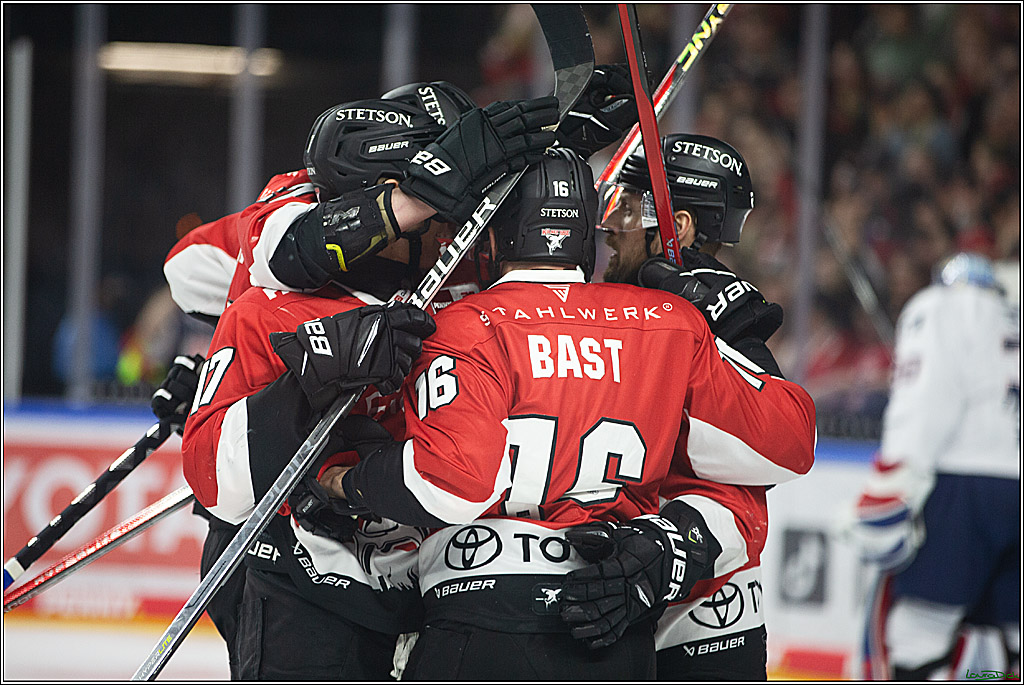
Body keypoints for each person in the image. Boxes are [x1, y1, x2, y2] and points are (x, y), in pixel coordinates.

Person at [321, 147, 816, 680]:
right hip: (618, 628)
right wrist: (735, 332)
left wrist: (345, 483)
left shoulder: (459, 323)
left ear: (492, 232)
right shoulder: (671, 322)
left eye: (626, 211)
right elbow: (785, 445)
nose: (612, 228)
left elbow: (452, 481)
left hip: (483, 613)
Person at [180, 91, 561, 680]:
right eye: (439, 203)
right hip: (303, 590)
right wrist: (303, 381)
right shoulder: (270, 305)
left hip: (426, 596)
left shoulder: (460, 307)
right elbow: (214, 477)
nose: (453, 225)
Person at [597, 132, 786, 681]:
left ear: (675, 227)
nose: (609, 225)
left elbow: (778, 453)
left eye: (625, 208)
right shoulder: (618, 309)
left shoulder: (718, 328)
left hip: (700, 616)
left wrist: (683, 541)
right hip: (626, 594)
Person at [850, 252, 1020, 680]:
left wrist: (891, 483)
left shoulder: (940, 307)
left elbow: (923, 403)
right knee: (1006, 633)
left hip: (961, 486)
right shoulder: (1012, 313)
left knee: (918, 633)